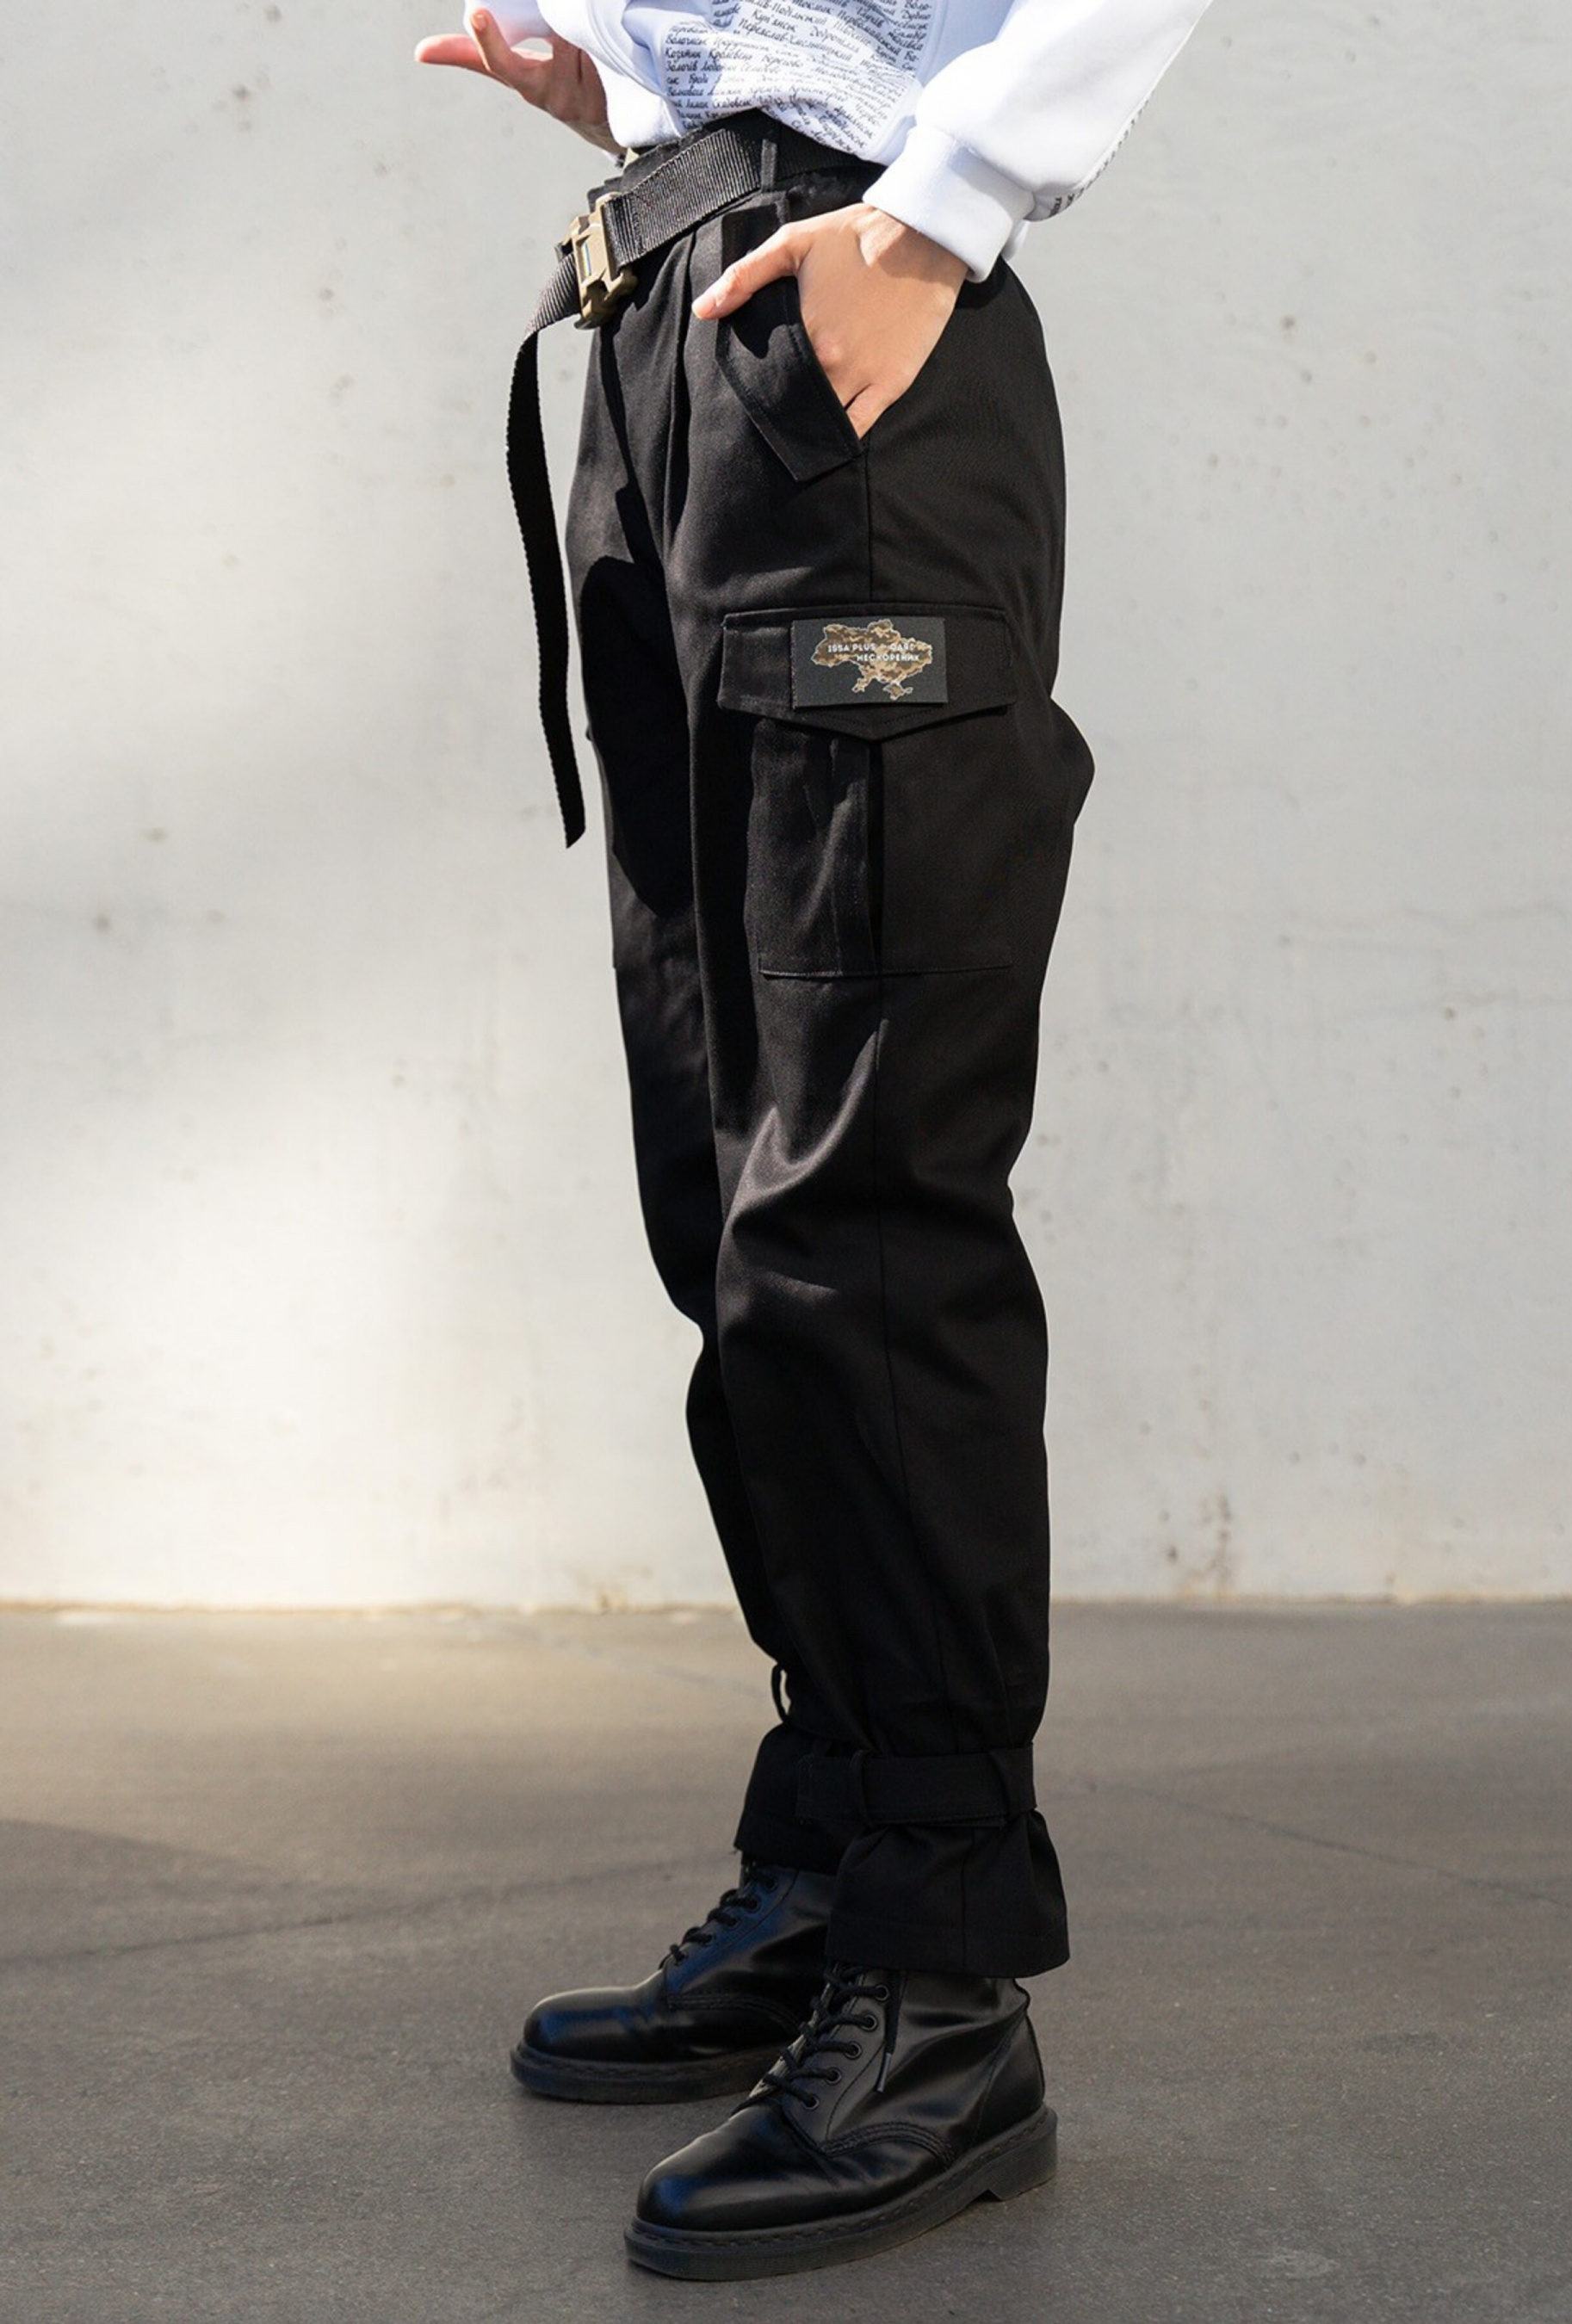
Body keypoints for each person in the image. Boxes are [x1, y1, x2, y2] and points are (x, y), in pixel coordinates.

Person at [416, 0, 1214, 2281]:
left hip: (842, 328)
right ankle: (838, 1849)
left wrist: (940, 208)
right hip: (667, 336)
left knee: (860, 1207)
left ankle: (943, 1983)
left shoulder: (901, 246)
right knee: (726, 1185)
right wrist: (628, 81)